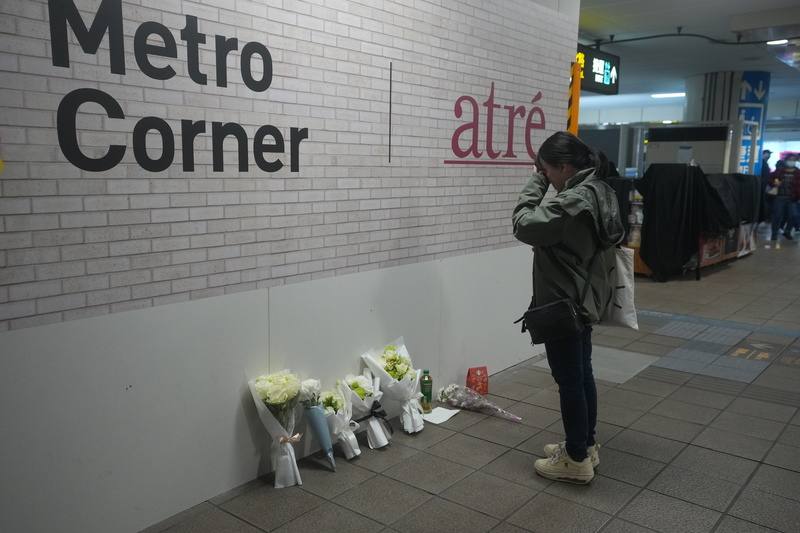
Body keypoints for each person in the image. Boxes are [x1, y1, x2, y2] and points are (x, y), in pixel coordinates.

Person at [512, 131, 624, 484]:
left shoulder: (572, 201)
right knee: (582, 373)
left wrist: (535, 181)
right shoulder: (601, 189)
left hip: (564, 302)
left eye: (546, 170)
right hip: (585, 296)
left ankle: (575, 460)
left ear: (562, 167)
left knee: (569, 380)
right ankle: (585, 444)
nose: (545, 176)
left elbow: (523, 224)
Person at [770, 154, 798, 242]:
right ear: (786, 161)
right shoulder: (779, 171)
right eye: (790, 159)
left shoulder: (798, 172)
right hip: (779, 197)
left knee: (794, 215)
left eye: (793, 160)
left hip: (792, 198)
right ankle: (774, 234)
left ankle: (787, 231)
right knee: (777, 216)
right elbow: (770, 179)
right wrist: (774, 183)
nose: (791, 161)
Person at [760, 150, 773, 223]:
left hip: (763, 186)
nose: (769, 156)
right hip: (762, 186)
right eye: (768, 154)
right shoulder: (762, 163)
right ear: (764, 154)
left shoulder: (764, 163)